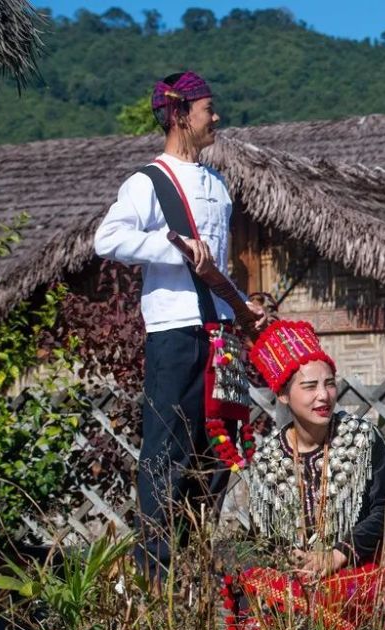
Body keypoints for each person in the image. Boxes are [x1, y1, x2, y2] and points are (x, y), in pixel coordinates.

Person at [93, 71, 266, 579]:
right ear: (178, 115)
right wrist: (171, 245)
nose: (216, 117)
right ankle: (156, 574)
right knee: (166, 449)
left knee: (222, 447)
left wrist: (241, 305)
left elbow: (221, 261)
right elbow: (109, 239)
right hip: (174, 332)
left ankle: (192, 556)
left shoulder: (218, 183)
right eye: (208, 109)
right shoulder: (148, 181)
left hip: (223, 334)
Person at [221, 320, 385, 630]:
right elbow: (238, 540)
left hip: (355, 568)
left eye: (329, 384)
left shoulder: (361, 440)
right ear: (283, 395)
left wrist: (337, 554)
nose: (324, 395)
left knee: (377, 576)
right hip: (296, 579)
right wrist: (285, 560)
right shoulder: (266, 462)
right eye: (309, 386)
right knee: (255, 587)